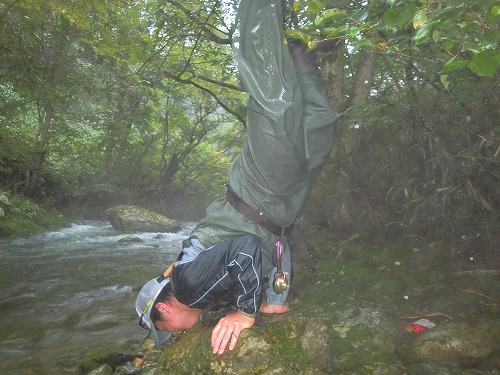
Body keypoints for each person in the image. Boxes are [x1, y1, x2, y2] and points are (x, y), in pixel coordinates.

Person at [136, 0, 337, 355]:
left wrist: (245, 314)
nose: (176, 333)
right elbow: (261, 250)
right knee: (318, 128)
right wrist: (272, 300)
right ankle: (300, 56)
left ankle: (260, 13)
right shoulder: (197, 287)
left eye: (166, 329)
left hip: (260, 190)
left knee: (274, 101)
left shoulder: (186, 288)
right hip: (277, 208)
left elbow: (242, 250)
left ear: (164, 308)